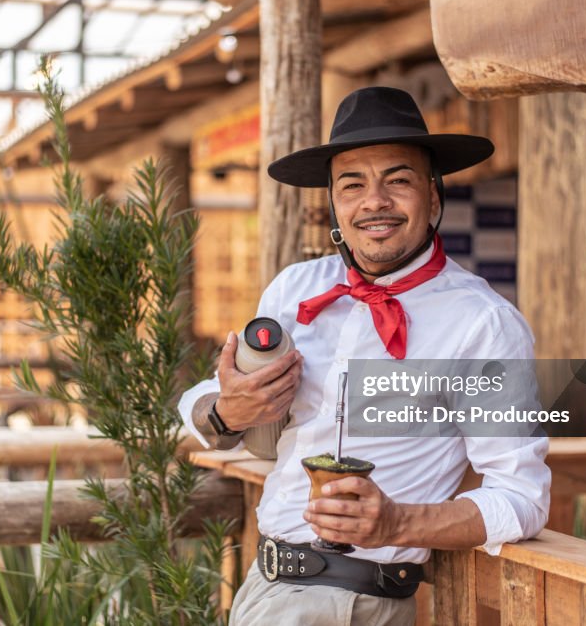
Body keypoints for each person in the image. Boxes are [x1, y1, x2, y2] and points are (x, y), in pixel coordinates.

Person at [178, 87, 550, 625]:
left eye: (397, 180)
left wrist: (398, 523)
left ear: (434, 195)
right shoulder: (294, 289)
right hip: (261, 586)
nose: (373, 201)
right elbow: (198, 401)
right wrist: (227, 412)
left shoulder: (484, 324)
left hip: (353, 603)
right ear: (334, 202)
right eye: (352, 184)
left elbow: (521, 498)